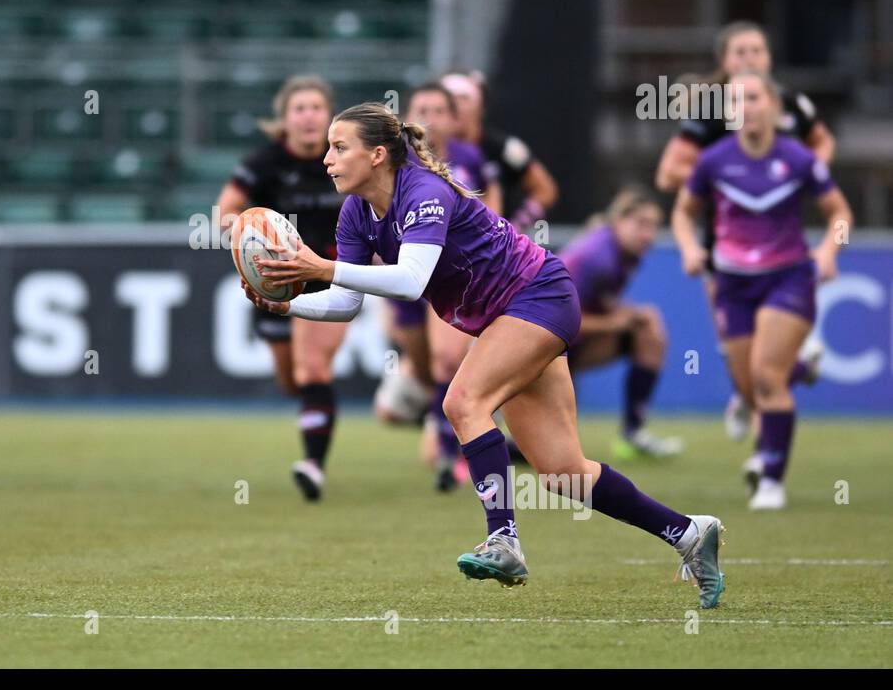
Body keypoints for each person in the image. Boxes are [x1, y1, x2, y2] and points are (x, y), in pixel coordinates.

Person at [245, 102, 725, 608]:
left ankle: (504, 540)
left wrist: (322, 267)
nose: (327, 159)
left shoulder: (424, 192)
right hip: (506, 315)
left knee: (462, 402)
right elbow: (345, 304)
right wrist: (288, 304)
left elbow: (410, 282)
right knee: (562, 471)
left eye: (339, 147)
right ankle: (690, 532)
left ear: (379, 155)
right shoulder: (356, 214)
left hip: (539, 295)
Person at [671, 71, 851, 510]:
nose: (746, 107)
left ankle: (770, 477)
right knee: (751, 385)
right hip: (731, 283)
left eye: (753, 98)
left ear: (773, 106)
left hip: (787, 277)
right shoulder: (713, 160)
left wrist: (829, 251)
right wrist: (690, 247)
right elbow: (682, 212)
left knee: (767, 376)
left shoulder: (799, 159)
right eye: (736, 101)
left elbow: (840, 214)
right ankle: (800, 367)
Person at [655, 22, 832, 439]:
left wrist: (805, 175)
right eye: (740, 52)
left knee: (766, 357)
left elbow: (823, 144)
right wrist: (727, 179)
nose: (750, 59)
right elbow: (668, 174)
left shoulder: (792, 105)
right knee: (736, 344)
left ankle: (765, 453)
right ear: (724, 61)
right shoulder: (712, 112)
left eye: (758, 51)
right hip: (726, 244)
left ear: (769, 59)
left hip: (781, 240)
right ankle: (778, 379)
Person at [216, 76, 346, 500]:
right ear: (285, 119)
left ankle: (313, 466)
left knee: (313, 369)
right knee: (293, 381)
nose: (308, 115)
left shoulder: (345, 158)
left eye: (315, 107)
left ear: (328, 116)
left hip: (330, 276)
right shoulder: (264, 162)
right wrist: (243, 229)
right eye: (299, 108)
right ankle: (314, 414)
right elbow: (225, 209)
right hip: (275, 285)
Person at [375, 82, 503, 492]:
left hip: (450, 277)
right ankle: (446, 425)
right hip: (405, 277)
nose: (429, 116)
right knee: (426, 369)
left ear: (453, 119)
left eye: (438, 109)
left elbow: (491, 205)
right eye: (421, 108)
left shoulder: (469, 159)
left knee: (448, 361)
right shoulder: (394, 162)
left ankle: (449, 456)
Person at [559, 186, 681, 459]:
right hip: (537, 353)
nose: (648, 234)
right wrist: (618, 323)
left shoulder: (623, 253)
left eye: (653, 226)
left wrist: (628, 315)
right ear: (619, 220)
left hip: (566, 349)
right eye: (641, 224)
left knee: (648, 328)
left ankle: (633, 434)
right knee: (546, 453)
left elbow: (595, 304)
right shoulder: (597, 257)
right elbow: (558, 318)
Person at [439, 70, 557, 234]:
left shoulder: (504, 148)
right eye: (448, 98)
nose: (455, 106)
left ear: (480, 105)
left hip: (491, 246)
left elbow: (545, 190)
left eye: (463, 98)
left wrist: (515, 227)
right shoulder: (424, 147)